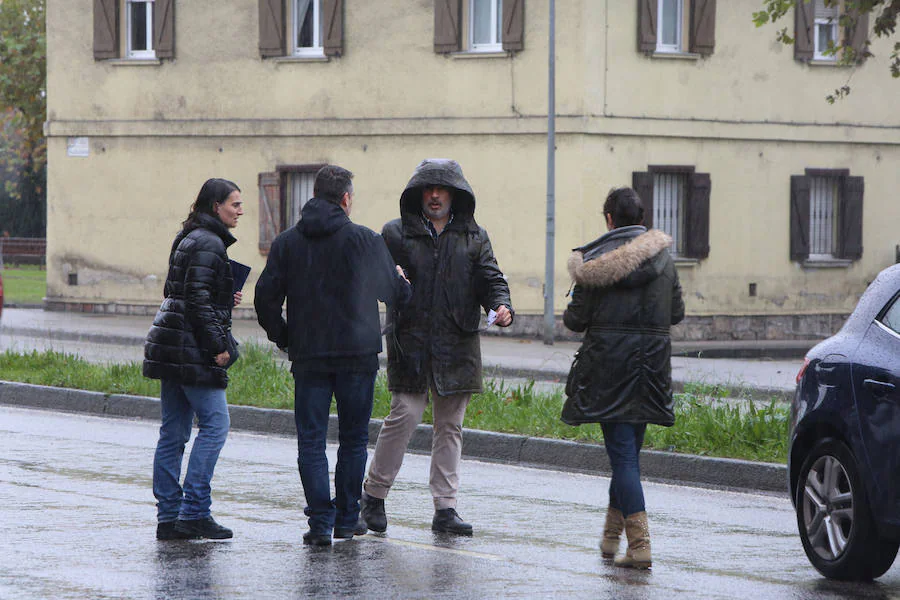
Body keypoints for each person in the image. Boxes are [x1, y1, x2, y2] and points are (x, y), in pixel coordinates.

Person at [254, 165, 411, 547]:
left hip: (309, 357)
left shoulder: (287, 241)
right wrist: (402, 281)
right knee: (354, 440)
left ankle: (320, 523)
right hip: (357, 355)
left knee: (310, 441)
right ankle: (345, 520)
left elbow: (264, 298)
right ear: (345, 198)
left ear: (314, 195)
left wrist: (285, 336)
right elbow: (393, 294)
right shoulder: (364, 239)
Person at [361, 158, 513, 536]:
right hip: (410, 341)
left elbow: (491, 277)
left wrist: (501, 304)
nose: (433, 195)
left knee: (450, 427)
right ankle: (374, 495)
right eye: (427, 189)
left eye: (441, 189)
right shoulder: (395, 233)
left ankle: (445, 509)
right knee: (404, 416)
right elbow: (378, 287)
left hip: (457, 343)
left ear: (455, 195)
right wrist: (390, 279)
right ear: (417, 194)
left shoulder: (475, 236)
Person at [562, 187, 684, 569]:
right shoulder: (664, 258)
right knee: (627, 456)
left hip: (609, 368)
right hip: (651, 367)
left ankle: (641, 545)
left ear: (609, 220)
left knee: (624, 458)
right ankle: (611, 540)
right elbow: (676, 312)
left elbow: (574, 320)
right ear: (641, 217)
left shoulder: (595, 263)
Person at [143, 178, 245, 540]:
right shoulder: (210, 242)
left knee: (173, 432)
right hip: (192, 349)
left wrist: (223, 295)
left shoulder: (189, 237)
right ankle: (195, 511)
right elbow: (197, 300)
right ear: (215, 206)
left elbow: (180, 291)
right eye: (234, 204)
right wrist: (219, 345)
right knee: (216, 425)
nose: (240, 210)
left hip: (172, 345)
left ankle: (169, 516)